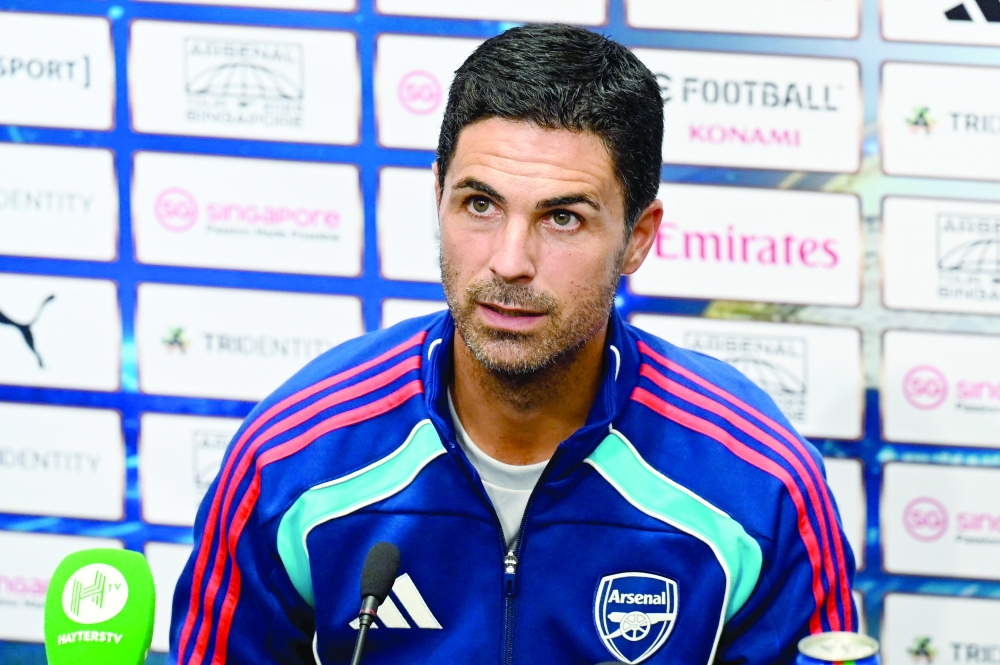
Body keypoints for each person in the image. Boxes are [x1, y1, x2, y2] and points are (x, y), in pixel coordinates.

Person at [168, 23, 855, 665]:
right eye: (479, 204)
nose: (508, 260)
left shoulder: (759, 484)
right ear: (438, 197)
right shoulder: (292, 457)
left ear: (638, 237)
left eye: (562, 217)